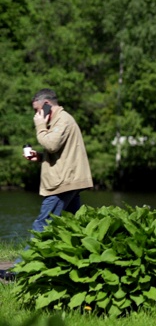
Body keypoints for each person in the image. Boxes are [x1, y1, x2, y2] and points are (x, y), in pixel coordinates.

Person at [0, 88, 93, 281]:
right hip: (68, 179)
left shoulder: (63, 120)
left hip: (63, 182)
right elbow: (58, 152)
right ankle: (91, 261)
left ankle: (19, 270)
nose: (36, 114)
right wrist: (40, 157)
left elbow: (51, 144)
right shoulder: (60, 120)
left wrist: (40, 126)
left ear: (47, 105)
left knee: (42, 224)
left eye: (37, 110)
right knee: (80, 225)